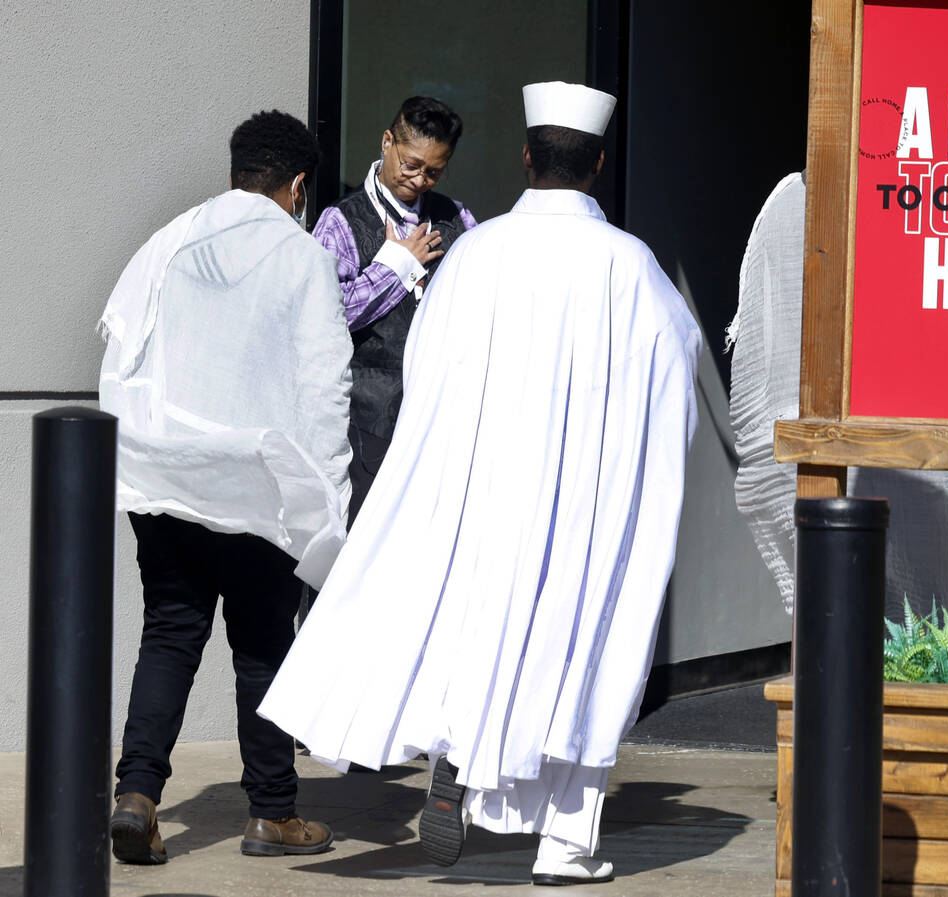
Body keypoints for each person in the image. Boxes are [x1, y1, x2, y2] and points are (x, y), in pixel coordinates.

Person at [259, 81, 702, 885]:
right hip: (578, 501)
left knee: (477, 627)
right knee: (574, 646)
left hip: (483, 488)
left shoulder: (476, 248)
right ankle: (566, 844)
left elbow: (426, 369)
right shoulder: (632, 267)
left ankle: (461, 756)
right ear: (598, 165)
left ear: (527, 156)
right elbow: (673, 383)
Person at [98, 109, 352, 865]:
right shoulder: (302, 258)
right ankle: (272, 814)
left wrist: (137, 456)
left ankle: (136, 795)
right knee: (264, 648)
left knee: (170, 633)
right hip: (255, 481)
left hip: (164, 473)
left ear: (236, 168)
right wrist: (328, 501)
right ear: (300, 185)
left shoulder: (167, 242)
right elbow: (324, 388)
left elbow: (119, 341)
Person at [725, 171, 948, 621]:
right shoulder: (796, 202)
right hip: (849, 456)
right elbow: (774, 357)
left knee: (907, 622)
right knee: (857, 625)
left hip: (924, 458)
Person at [313, 96, 477, 522]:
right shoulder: (340, 221)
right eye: (411, 164)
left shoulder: (457, 217)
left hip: (444, 417)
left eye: (434, 171)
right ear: (387, 142)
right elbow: (324, 317)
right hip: (367, 424)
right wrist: (396, 266)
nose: (420, 179)